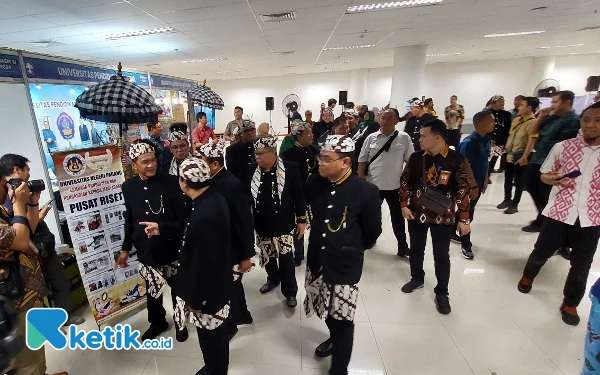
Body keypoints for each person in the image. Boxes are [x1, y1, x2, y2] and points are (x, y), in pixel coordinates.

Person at [304, 135, 382, 375]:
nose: (320, 162)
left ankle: (339, 368)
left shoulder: (366, 191)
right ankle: (334, 337)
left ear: (345, 162)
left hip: (345, 264)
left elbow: (372, 231)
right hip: (318, 258)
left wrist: (352, 246)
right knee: (327, 310)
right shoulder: (315, 183)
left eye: (327, 159)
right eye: (320, 157)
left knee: (343, 319)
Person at [517, 101, 600, 326]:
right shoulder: (564, 147)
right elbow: (544, 173)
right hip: (560, 212)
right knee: (541, 251)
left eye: (597, 120)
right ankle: (528, 277)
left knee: (582, 265)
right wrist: (550, 179)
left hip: (592, 217)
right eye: (587, 120)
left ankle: (570, 303)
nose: (591, 125)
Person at [1, 154, 85, 327]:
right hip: (19, 268)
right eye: (27, 170)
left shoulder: (21, 194)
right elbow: (19, 238)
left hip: (36, 253)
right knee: (54, 285)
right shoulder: (9, 199)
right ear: (16, 170)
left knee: (56, 284)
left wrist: (32, 203)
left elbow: (28, 229)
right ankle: (55, 322)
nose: (29, 175)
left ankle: (57, 321)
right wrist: (22, 206)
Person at [117, 140, 188, 342]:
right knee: (153, 289)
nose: (151, 165)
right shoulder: (128, 187)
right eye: (145, 161)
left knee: (178, 289)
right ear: (134, 164)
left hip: (172, 246)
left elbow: (184, 220)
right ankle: (157, 322)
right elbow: (130, 219)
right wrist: (125, 249)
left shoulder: (173, 182)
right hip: (147, 249)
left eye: (153, 160)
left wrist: (163, 229)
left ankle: (180, 322)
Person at [399, 119, 472, 314]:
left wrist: (464, 219)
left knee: (441, 255)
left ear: (437, 137)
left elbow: (464, 191)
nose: (420, 139)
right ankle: (417, 277)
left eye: (424, 136)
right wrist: (404, 204)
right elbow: (405, 181)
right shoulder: (416, 158)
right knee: (416, 248)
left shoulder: (457, 160)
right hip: (416, 212)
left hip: (443, 215)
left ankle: (442, 292)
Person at [0, 155, 58, 375]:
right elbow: (21, 241)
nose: (9, 189)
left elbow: (28, 230)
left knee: (35, 349)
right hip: (15, 299)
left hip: (29, 292)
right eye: (5, 184)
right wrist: (17, 203)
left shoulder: (3, 210)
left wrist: (31, 202)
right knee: (27, 361)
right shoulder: (8, 205)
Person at [174, 157, 231, 375]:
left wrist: (197, 300)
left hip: (208, 295)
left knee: (211, 339)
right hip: (218, 287)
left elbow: (204, 264)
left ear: (184, 182)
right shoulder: (213, 199)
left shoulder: (203, 215)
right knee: (215, 339)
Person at [198, 142, 255, 339]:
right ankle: (242, 315)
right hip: (222, 245)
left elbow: (244, 222)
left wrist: (246, 255)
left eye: (202, 161)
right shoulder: (213, 181)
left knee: (229, 286)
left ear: (214, 165)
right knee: (233, 284)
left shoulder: (230, 185)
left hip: (232, 247)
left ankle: (231, 325)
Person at [247, 136, 306, 308]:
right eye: (255, 154)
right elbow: (247, 197)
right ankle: (273, 278)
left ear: (273, 153)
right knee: (268, 256)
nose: (257, 157)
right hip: (262, 223)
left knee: (286, 259)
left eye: (261, 154)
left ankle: (290, 291)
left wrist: (301, 220)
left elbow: (299, 196)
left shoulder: (289, 168)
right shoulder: (252, 170)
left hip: (284, 223)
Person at [522, 90, 581, 236]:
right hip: (539, 158)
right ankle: (542, 216)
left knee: (545, 193)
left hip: (553, 163)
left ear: (567, 102)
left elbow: (567, 146)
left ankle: (545, 221)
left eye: (555, 101)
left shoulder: (572, 120)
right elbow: (533, 132)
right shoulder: (552, 118)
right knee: (529, 185)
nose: (552, 105)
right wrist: (541, 117)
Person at [358, 109, 414, 256]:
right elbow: (362, 160)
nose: (384, 121)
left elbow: (410, 161)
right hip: (373, 186)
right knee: (371, 217)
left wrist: (407, 181)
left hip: (394, 186)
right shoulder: (371, 138)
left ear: (396, 121)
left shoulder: (404, 138)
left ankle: (402, 245)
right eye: (382, 118)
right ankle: (369, 239)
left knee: (397, 218)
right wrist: (360, 180)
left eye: (389, 118)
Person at [453, 111, 494, 259]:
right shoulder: (469, 143)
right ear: (481, 123)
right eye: (491, 121)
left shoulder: (486, 140)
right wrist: (473, 186)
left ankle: (451, 231)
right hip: (468, 186)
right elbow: (463, 167)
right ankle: (466, 245)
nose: (494, 124)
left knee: (468, 210)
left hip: (478, 183)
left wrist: (485, 178)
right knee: (467, 214)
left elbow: (485, 162)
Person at [281, 122, 318, 266]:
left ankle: (316, 249)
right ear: (298, 136)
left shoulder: (314, 150)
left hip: (314, 194)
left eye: (311, 132)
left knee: (317, 223)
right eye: (308, 133)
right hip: (298, 194)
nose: (311, 135)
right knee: (299, 224)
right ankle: (299, 253)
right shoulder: (288, 154)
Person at [497, 97, 539, 214]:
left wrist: (525, 157)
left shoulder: (533, 123)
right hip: (509, 153)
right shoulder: (516, 120)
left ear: (529, 108)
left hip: (521, 155)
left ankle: (515, 204)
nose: (519, 107)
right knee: (508, 178)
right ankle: (507, 199)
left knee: (519, 180)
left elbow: (531, 141)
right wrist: (505, 151)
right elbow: (511, 136)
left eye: (522, 105)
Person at [225, 120, 257, 184]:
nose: (250, 132)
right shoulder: (232, 150)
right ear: (241, 133)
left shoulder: (262, 147)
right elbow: (232, 172)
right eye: (246, 130)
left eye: (252, 129)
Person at [487, 95, 512, 175]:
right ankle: (484, 174)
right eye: (499, 102)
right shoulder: (487, 113)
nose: (502, 103)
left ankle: (489, 174)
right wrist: (487, 139)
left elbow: (508, 128)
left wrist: (506, 141)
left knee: (494, 158)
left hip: (500, 140)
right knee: (486, 159)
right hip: (489, 140)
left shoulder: (507, 114)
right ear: (493, 103)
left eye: (503, 101)